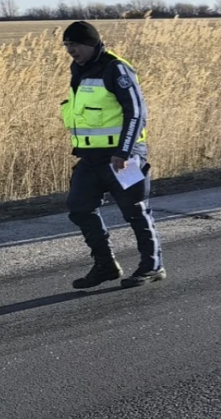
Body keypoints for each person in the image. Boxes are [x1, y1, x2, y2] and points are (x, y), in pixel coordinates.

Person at [60, 21, 166, 289]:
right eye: (67, 45)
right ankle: (105, 264)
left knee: (135, 209)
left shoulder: (115, 68)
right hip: (92, 157)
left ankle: (152, 266)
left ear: (91, 42)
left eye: (74, 44)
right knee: (79, 206)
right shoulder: (79, 69)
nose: (70, 50)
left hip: (123, 156)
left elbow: (137, 112)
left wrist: (124, 151)